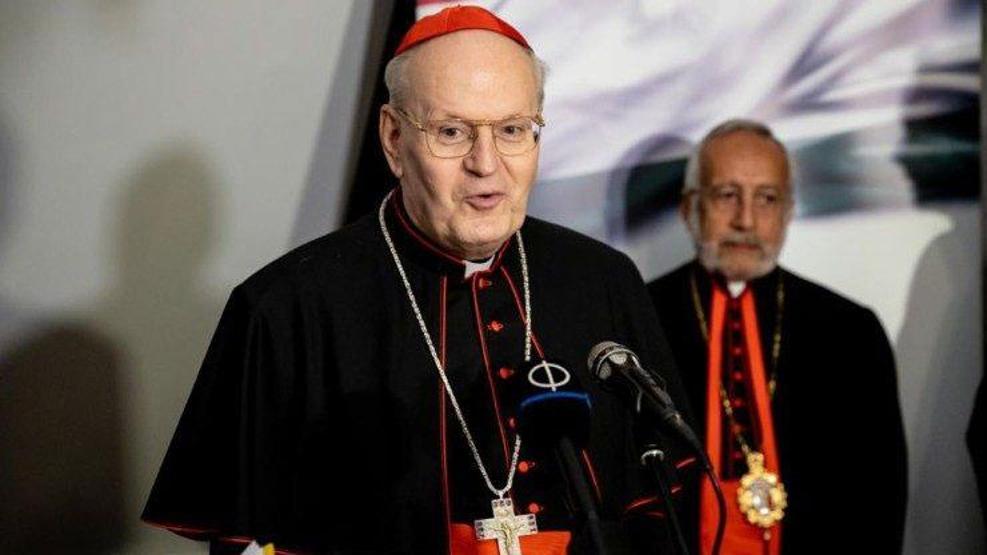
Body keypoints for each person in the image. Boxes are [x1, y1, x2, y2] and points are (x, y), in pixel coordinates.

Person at [143, 6, 691, 554]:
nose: (486, 164)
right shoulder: (287, 308)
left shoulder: (603, 279)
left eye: (511, 130)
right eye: (452, 131)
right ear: (393, 138)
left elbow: (659, 511)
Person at [647, 119, 907, 554]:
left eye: (767, 199)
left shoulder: (850, 331)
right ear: (689, 208)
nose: (746, 220)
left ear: (788, 212)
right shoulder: (641, 316)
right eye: (727, 195)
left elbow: (881, 498)